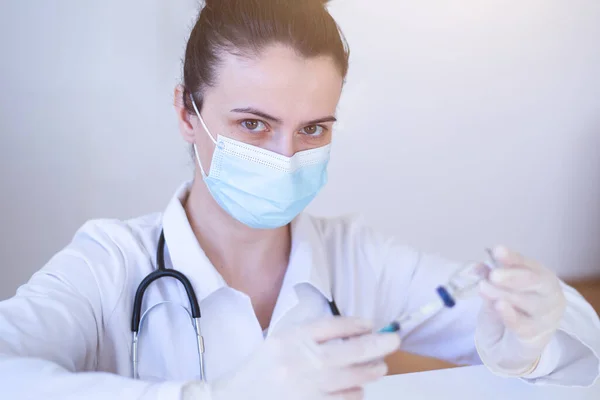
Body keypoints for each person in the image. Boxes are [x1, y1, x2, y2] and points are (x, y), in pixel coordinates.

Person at [1, 0, 599, 399]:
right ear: (187, 111)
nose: (286, 157)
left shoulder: (356, 257)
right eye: (254, 125)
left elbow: (584, 350)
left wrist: (532, 339)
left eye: (313, 128)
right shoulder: (109, 263)